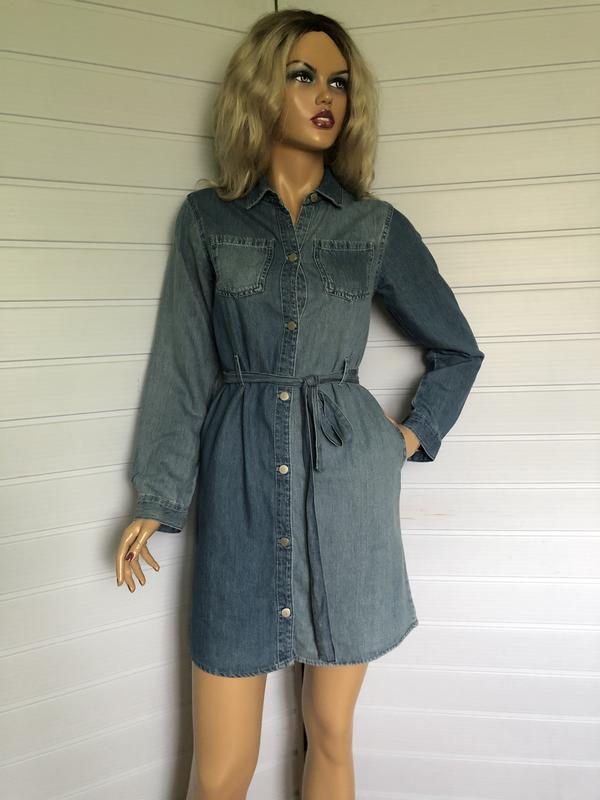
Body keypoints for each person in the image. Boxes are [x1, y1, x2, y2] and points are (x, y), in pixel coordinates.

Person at [115, 9, 485, 800]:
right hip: (241, 490)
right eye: (304, 76)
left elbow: (458, 349)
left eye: (340, 82)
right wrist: (157, 497)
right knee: (221, 770)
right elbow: (182, 366)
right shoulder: (209, 221)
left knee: (332, 733)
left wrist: (405, 437)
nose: (327, 97)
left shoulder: (374, 226)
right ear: (262, 88)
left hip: (349, 497)